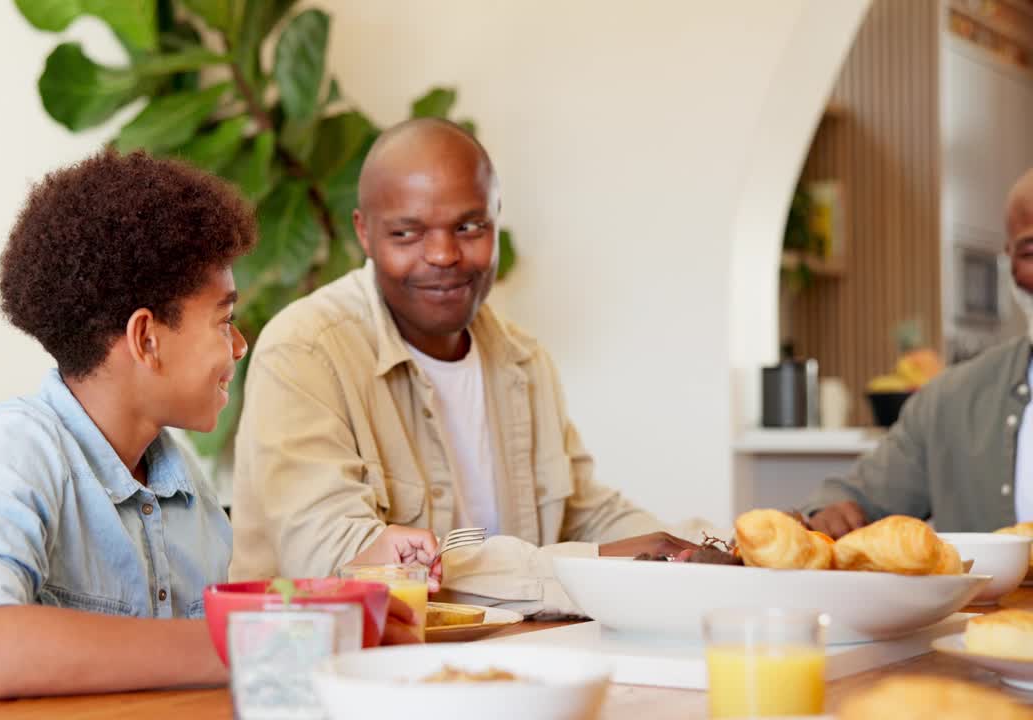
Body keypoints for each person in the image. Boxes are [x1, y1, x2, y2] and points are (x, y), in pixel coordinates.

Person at [0, 150, 416, 703]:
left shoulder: (178, 476)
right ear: (146, 338)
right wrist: (263, 645)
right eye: (225, 320)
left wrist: (349, 597)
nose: (240, 346)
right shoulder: (11, 448)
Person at [229, 119, 708, 617]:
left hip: (511, 666)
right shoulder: (306, 351)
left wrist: (702, 549)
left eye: (469, 227)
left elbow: (589, 514)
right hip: (332, 673)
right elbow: (346, 562)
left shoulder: (523, 360)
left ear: (496, 220)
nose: (443, 255)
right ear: (363, 233)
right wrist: (601, 565)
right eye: (407, 233)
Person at [805, 168, 1033, 538]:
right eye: (1032, 251)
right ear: (1009, 260)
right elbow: (855, 496)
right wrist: (829, 513)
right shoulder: (949, 400)